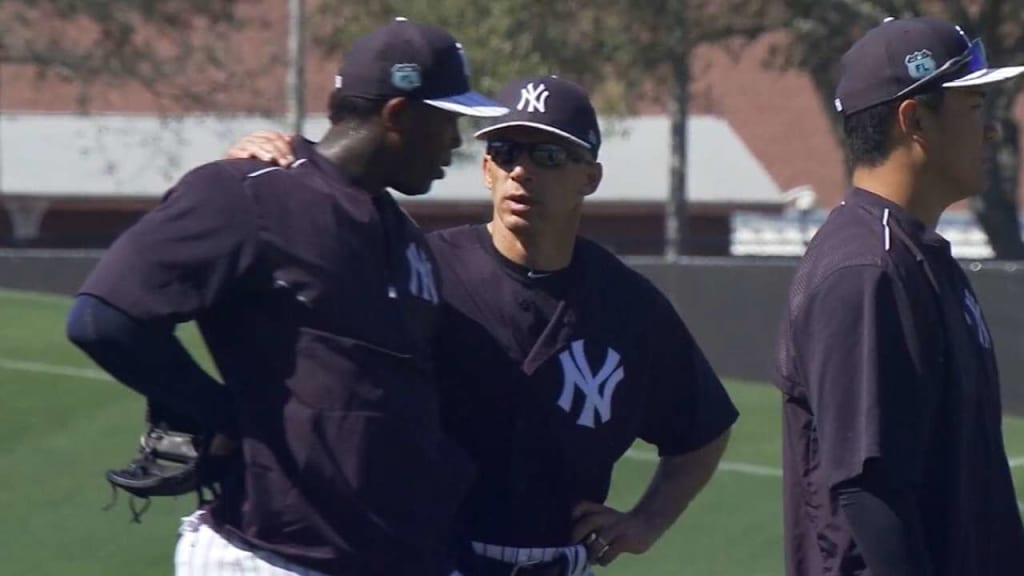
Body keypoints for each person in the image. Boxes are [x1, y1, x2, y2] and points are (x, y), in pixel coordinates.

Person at [225, 75, 739, 576]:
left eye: (549, 156)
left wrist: (648, 520)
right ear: (487, 169)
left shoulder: (629, 305)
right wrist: (281, 160)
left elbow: (703, 429)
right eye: (507, 152)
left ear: (590, 178)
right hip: (428, 557)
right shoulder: (420, 267)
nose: (522, 172)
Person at [65, 17, 506, 576]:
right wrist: (222, 415)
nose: (455, 141)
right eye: (448, 121)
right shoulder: (250, 192)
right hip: (266, 556)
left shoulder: (403, 236)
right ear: (398, 116)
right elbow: (104, 319)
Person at [774, 16, 1024, 576]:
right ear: (915, 120)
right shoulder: (865, 269)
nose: (992, 132)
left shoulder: (916, 256)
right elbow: (868, 491)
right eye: (974, 107)